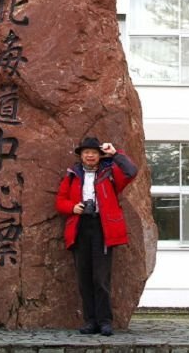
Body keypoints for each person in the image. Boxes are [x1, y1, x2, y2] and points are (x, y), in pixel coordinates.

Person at [55, 136, 138, 336]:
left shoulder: (109, 173)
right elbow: (60, 201)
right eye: (86, 152)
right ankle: (90, 321)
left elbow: (131, 171)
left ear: (99, 155)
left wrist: (115, 153)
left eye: (93, 152)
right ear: (81, 156)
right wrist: (73, 207)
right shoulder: (72, 175)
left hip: (103, 228)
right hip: (80, 227)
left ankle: (105, 321)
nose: (90, 155)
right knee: (84, 278)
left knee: (101, 278)